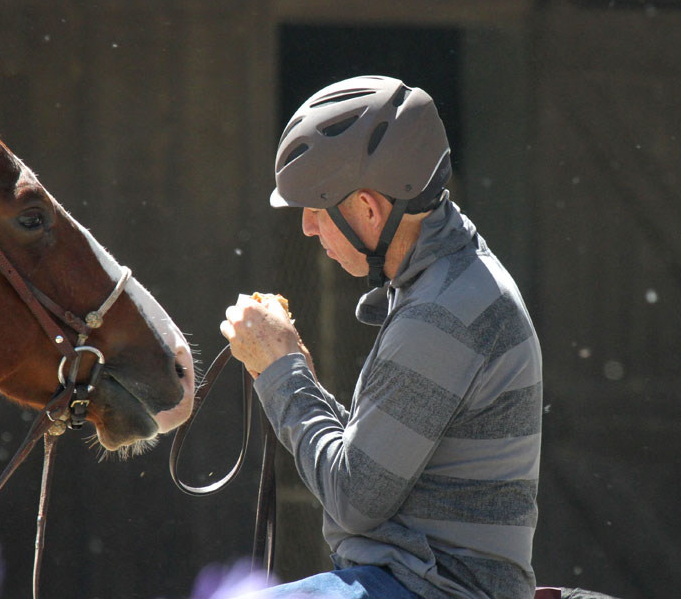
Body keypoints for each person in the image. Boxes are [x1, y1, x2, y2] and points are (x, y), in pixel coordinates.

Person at [220, 75, 543, 599]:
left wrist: (282, 372)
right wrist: (289, 364)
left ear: (369, 210)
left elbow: (353, 496)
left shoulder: (444, 311)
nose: (306, 228)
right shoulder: (447, 277)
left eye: (316, 209)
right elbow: (373, 469)